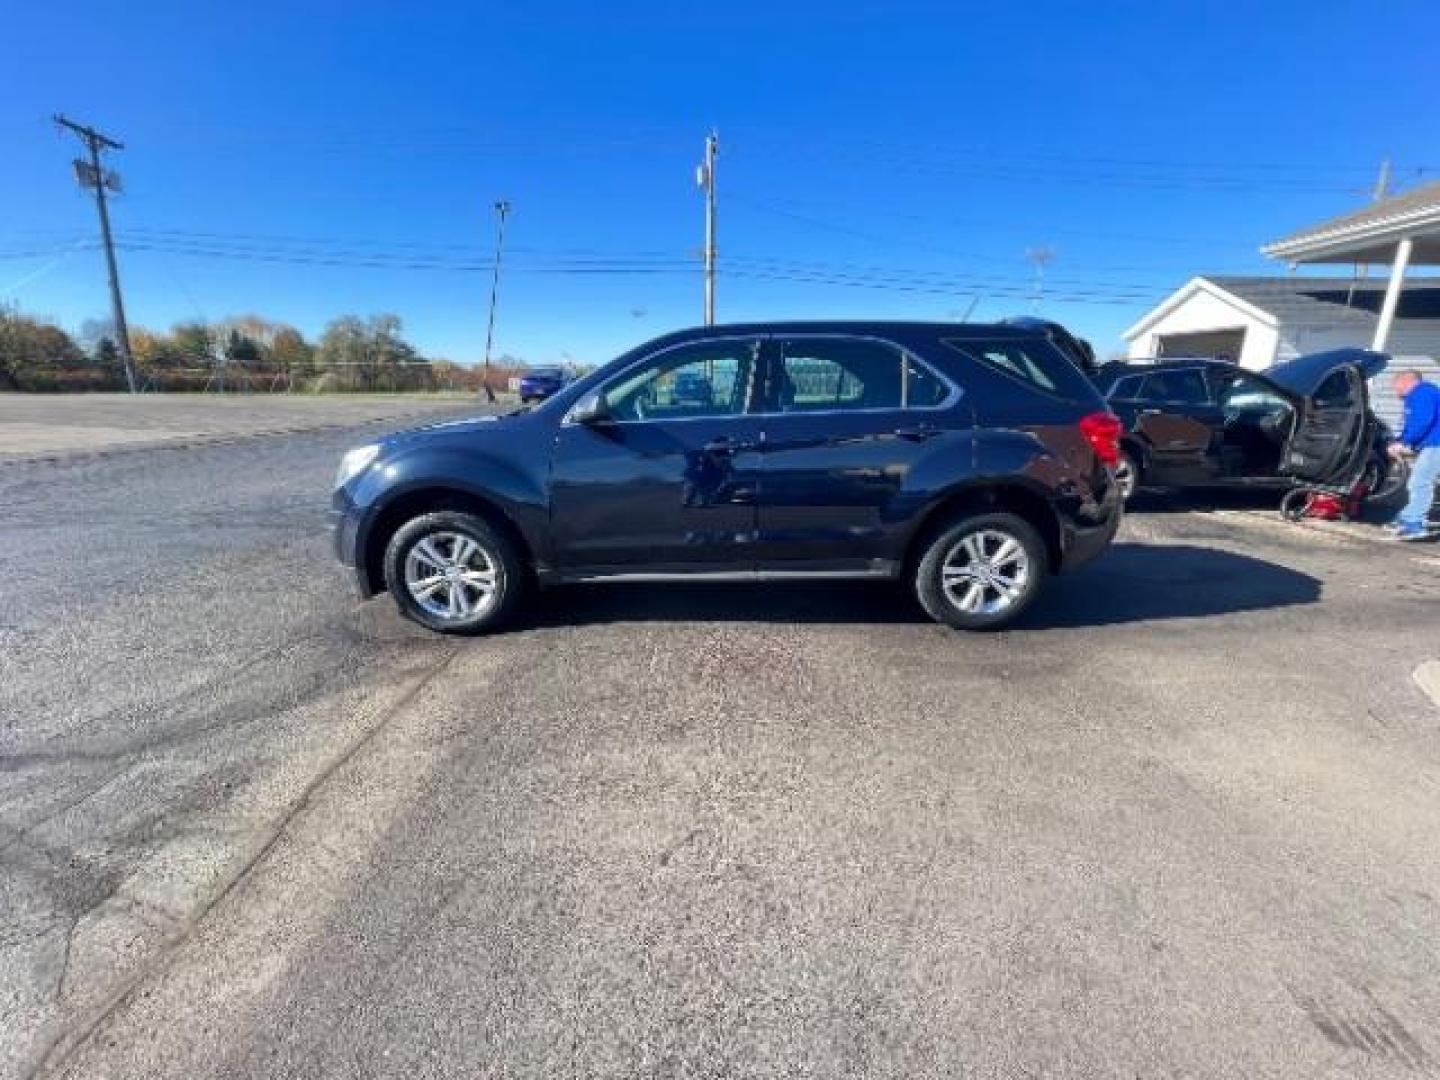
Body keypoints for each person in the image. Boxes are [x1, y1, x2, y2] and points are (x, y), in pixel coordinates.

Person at [1388, 369, 1440, 541]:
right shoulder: (1422, 394)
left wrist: (1405, 442)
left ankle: (1414, 523)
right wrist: (1401, 439)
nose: (1396, 391)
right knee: (1418, 481)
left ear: (1406, 381)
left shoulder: (1422, 393)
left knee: (1420, 482)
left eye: (1396, 386)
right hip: (1431, 444)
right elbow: (1414, 423)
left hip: (1436, 444)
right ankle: (1408, 517)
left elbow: (1422, 421)